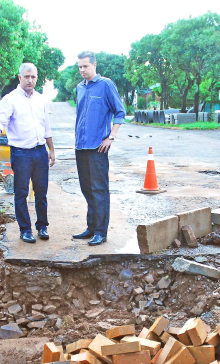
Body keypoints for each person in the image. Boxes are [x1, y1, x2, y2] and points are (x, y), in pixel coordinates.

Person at [0, 63, 56, 243]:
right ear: (20, 78)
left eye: (33, 77)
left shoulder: (41, 99)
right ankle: (25, 229)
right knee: (21, 193)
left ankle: (42, 227)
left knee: (41, 192)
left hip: (40, 151)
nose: (30, 80)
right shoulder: (9, 100)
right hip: (21, 154)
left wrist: (51, 150)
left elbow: (46, 127)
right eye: (26, 77)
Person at [72, 51, 126, 246]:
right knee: (86, 188)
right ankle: (91, 227)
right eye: (79, 67)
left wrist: (111, 137)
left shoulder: (106, 85)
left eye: (85, 66)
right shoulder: (79, 88)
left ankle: (101, 233)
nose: (82, 70)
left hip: (98, 148)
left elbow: (120, 112)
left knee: (99, 189)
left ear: (95, 65)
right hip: (81, 146)